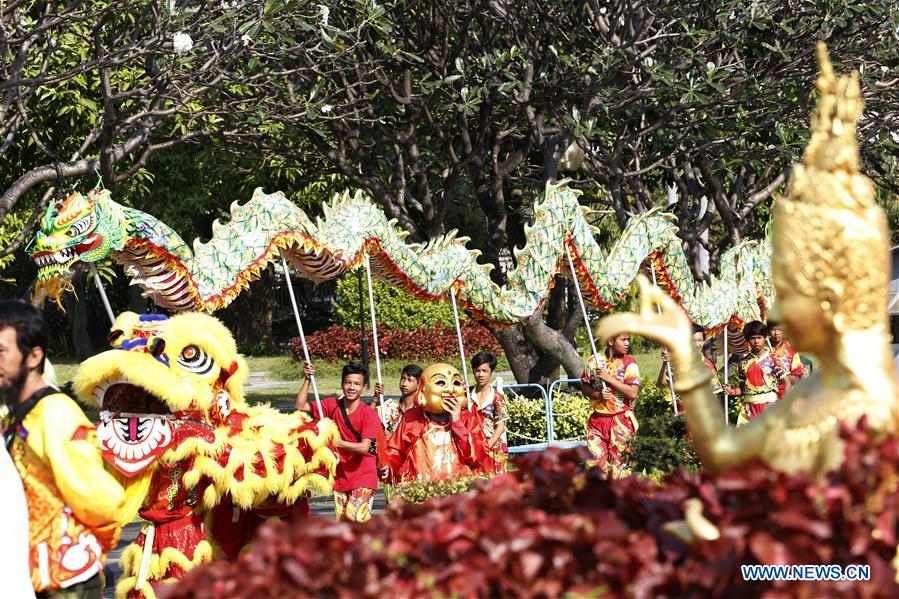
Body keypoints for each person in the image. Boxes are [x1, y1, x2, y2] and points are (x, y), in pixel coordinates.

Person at [0, 300, 126, 597]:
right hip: (27, 578)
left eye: (1, 353)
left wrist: (84, 552)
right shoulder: (17, 417)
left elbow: (103, 501)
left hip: (65, 583)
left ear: (33, 357)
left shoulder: (55, 415)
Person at [296, 362, 381, 523]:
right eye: (348, 382)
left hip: (363, 475)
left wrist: (337, 442)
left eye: (357, 384)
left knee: (355, 517)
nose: (351, 387)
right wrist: (307, 379)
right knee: (344, 525)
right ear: (342, 384)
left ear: (364, 388)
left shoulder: (368, 414)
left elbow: (364, 448)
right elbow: (300, 405)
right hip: (340, 476)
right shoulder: (331, 405)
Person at [381, 363, 486, 484]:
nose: (450, 389)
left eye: (456, 383)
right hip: (419, 489)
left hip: (458, 490)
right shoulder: (412, 418)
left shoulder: (467, 418)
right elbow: (396, 451)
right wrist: (388, 466)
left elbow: (477, 456)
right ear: (423, 387)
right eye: (440, 382)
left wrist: (457, 422)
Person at [580, 332, 640, 477]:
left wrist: (609, 379)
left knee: (619, 468)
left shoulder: (630, 363)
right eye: (623, 340)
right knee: (593, 467)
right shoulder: (594, 361)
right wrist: (597, 395)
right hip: (597, 422)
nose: (627, 343)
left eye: (628, 340)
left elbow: (632, 393)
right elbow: (584, 386)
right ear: (611, 341)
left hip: (621, 422)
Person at [722, 320, 789, 425]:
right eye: (753, 338)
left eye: (759, 338)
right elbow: (743, 389)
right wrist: (731, 391)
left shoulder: (774, 358)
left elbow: (786, 381)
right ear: (747, 340)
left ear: (765, 338)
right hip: (749, 409)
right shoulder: (743, 363)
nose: (756, 341)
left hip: (770, 406)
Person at [658, 324, 723, 409]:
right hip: (680, 414)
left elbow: (714, 393)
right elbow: (661, 384)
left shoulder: (707, 365)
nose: (696, 344)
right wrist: (665, 364)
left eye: (700, 340)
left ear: (703, 342)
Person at [469, 352, 509, 475]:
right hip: (472, 448)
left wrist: (486, 446)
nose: (480, 374)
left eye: (484, 371)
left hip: (492, 449)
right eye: (477, 370)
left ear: (491, 372)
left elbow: (501, 426)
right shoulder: (466, 395)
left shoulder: (497, 398)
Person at [767, 320, 807, 398]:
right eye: (773, 329)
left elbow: (798, 378)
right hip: (766, 396)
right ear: (768, 331)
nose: (776, 333)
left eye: (779, 329)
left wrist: (781, 376)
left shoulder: (791, 350)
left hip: (785, 395)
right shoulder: (763, 350)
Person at [381, 364, 423, 437]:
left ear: (419, 384)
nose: (404, 384)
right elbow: (369, 418)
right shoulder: (390, 405)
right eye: (403, 378)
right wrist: (375, 399)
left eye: (409, 380)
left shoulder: (421, 409)